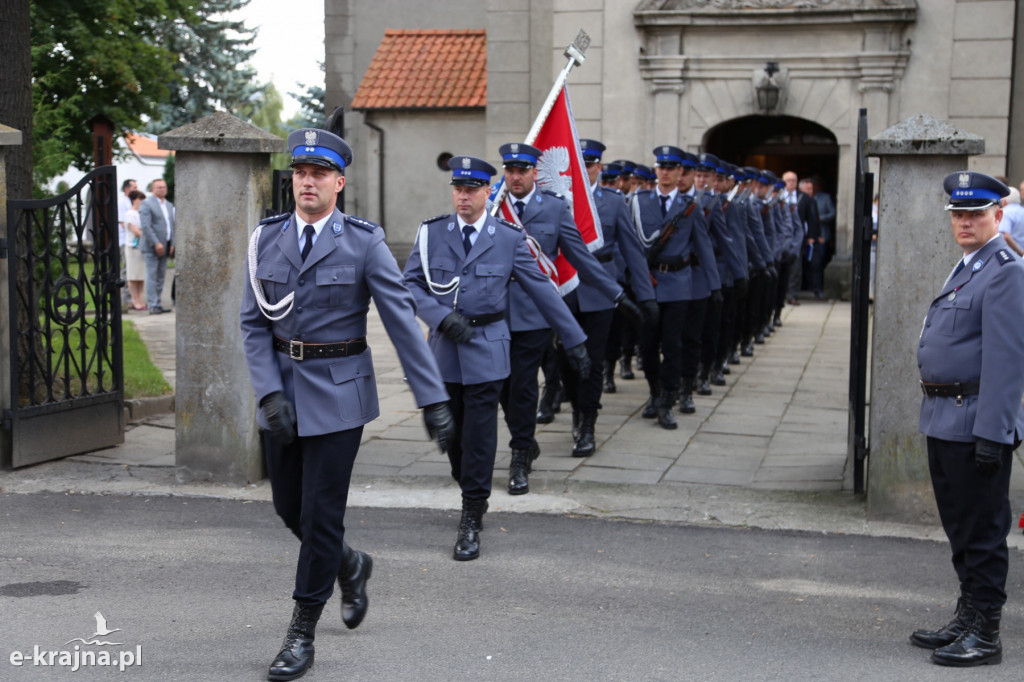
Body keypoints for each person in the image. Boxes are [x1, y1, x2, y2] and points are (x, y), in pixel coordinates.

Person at [241, 128, 455, 681]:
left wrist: (431, 398)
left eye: (319, 174)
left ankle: (300, 634)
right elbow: (252, 324)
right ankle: (350, 563)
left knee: (320, 514)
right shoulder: (266, 238)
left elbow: (402, 323)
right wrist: (267, 390)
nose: (306, 182)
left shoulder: (363, 242)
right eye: (300, 173)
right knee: (290, 509)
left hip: (340, 395)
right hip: (283, 394)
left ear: (339, 182)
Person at [402, 155, 589, 555]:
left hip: (488, 347)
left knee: (480, 436)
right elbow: (411, 286)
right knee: (454, 441)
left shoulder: (507, 237)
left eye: (472, 189)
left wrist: (574, 339)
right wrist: (439, 316)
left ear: (489, 192)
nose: (463, 196)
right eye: (458, 188)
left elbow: (541, 289)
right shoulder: (432, 233)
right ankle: (467, 480)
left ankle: (472, 515)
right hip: (445, 349)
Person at [911, 171, 1024, 668]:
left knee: (982, 532)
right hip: (944, 417)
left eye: (976, 213)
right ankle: (968, 613)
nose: (965, 221)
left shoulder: (1004, 269)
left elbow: (1007, 359)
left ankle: (987, 633)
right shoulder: (968, 265)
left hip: (976, 420)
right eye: (958, 213)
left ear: (998, 214)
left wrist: (994, 434)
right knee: (961, 528)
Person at [495, 142, 631, 493]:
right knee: (504, 389)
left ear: (534, 173)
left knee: (524, 385)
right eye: (510, 170)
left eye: (522, 171)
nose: (515, 177)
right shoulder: (492, 204)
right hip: (494, 313)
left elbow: (581, 258)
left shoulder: (553, 209)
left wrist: (615, 292)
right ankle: (525, 439)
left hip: (535, 313)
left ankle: (520, 454)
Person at [632, 146, 718, 429]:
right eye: (661, 167)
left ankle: (668, 401)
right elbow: (628, 243)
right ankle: (655, 392)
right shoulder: (638, 201)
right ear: (656, 171)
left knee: (673, 345)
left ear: (680, 172)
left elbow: (704, 246)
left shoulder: (689, 208)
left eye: (671, 168)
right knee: (645, 347)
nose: (666, 172)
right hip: (648, 284)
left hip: (679, 284)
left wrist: (715, 286)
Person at [139, 178, 175, 314]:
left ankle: (158, 303)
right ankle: (152, 304)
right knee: (152, 275)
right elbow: (146, 226)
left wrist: (172, 243)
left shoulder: (169, 205)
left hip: (166, 245)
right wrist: (156, 243)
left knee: (161, 276)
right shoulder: (146, 204)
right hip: (151, 246)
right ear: (152, 189)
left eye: (164, 187)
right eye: (159, 187)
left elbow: (172, 225)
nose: (162, 189)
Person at [122, 190, 147, 311]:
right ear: (134, 200)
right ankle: (134, 299)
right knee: (133, 274)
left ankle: (140, 299)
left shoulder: (142, 212)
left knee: (141, 275)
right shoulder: (130, 214)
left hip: (143, 247)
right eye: (139, 199)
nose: (141, 201)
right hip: (133, 246)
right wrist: (148, 234)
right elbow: (135, 231)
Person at [118, 179, 137, 308]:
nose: (136, 189)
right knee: (126, 269)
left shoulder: (135, 202)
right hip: (125, 240)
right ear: (127, 189)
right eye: (134, 187)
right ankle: (126, 298)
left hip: (136, 240)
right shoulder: (122, 203)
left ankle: (135, 297)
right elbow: (123, 223)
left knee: (136, 271)